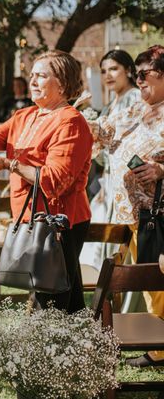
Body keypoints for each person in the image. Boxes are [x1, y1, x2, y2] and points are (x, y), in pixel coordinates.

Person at [0, 50, 93, 314]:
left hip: (59, 222)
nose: (32, 81)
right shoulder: (26, 116)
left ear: (63, 84)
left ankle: (51, 352)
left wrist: (10, 165)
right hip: (32, 218)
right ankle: (83, 351)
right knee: (67, 302)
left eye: (42, 75)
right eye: (32, 75)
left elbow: (54, 181)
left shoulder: (71, 122)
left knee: (50, 303)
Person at [88, 45, 164, 367]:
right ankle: (158, 348)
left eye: (144, 73)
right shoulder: (135, 110)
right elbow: (101, 134)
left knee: (159, 282)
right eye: (136, 73)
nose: (138, 79)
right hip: (128, 215)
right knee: (149, 285)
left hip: (156, 216)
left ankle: (159, 348)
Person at [79, 50, 141, 270]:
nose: (108, 75)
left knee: (125, 237)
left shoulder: (135, 98)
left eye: (114, 69)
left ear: (129, 70)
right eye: (104, 71)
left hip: (129, 179)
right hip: (108, 180)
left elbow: (131, 144)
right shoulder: (108, 106)